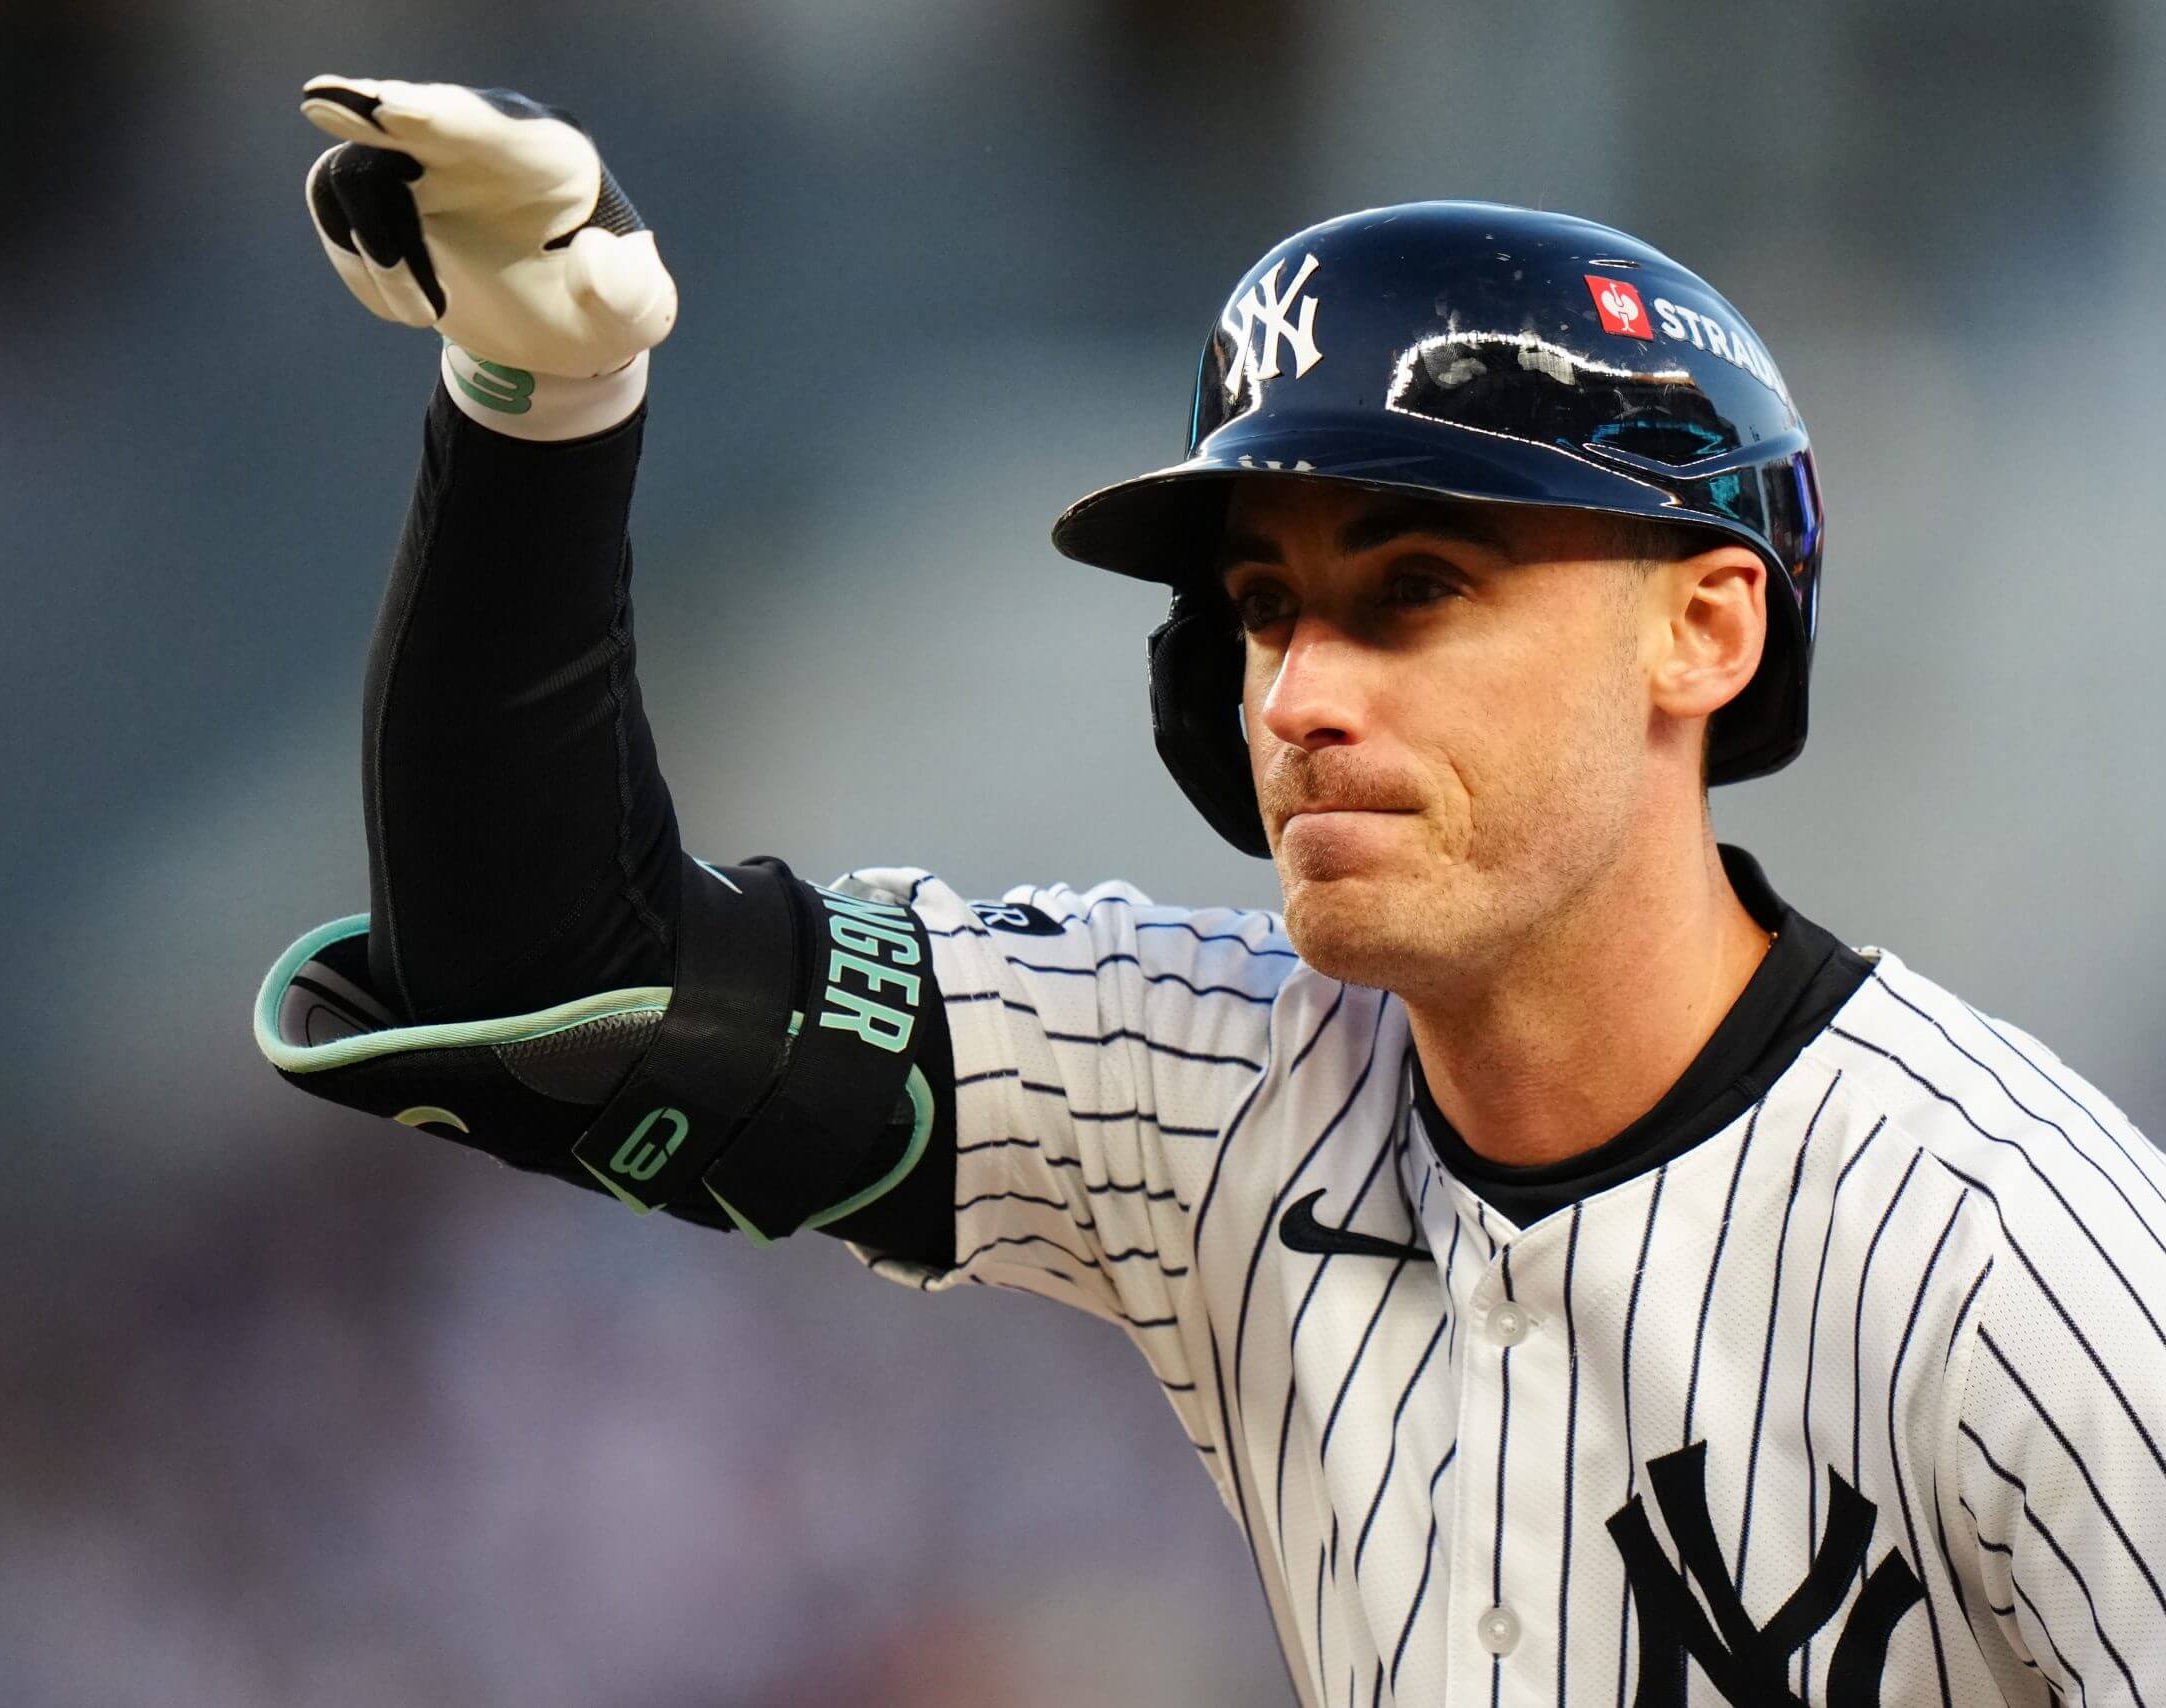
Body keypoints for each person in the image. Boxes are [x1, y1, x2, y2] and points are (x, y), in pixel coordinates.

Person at [256, 76, 2166, 1705]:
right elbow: (555, 986)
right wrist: (541, 403)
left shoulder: (2020, 1261)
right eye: (1263, 605)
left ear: (1706, 628)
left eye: (1416, 587)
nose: (1299, 695)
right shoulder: (1224, 1085)